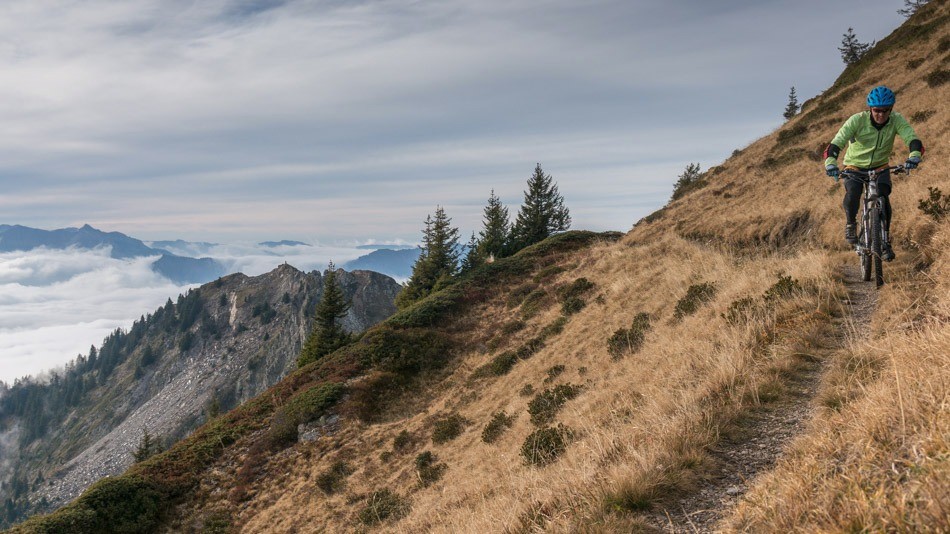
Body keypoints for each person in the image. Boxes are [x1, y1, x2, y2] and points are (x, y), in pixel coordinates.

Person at [823, 85, 924, 261]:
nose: (881, 115)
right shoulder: (857, 120)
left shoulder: (896, 120)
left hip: (880, 166)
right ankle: (851, 223)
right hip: (854, 166)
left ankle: (885, 240)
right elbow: (837, 143)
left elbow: (912, 139)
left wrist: (914, 155)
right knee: (853, 191)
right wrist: (831, 162)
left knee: (883, 196)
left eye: (886, 111)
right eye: (877, 110)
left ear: (891, 109)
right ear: (870, 108)